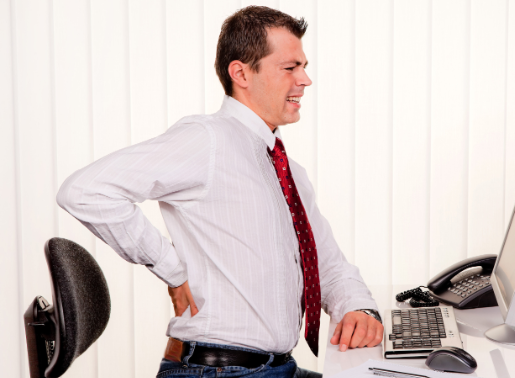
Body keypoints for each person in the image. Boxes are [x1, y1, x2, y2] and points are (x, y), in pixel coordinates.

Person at [57, 6, 383, 378]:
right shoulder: (207, 139)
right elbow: (85, 191)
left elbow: (328, 262)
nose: (305, 79)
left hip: (278, 368)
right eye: (290, 68)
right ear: (241, 72)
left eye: (304, 66)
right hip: (219, 370)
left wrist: (359, 307)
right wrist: (172, 270)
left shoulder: (287, 170)